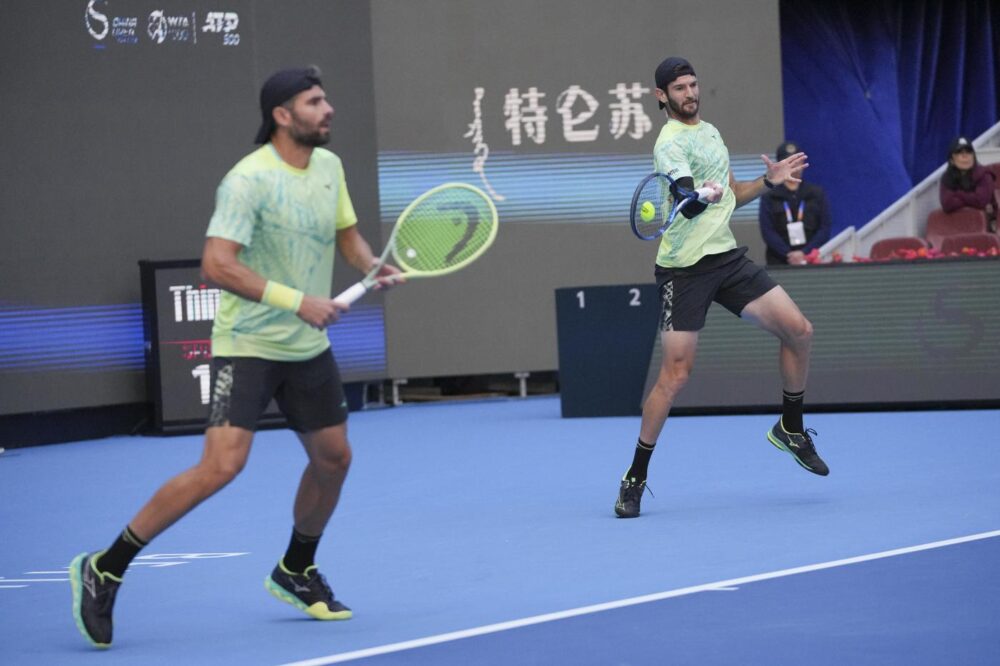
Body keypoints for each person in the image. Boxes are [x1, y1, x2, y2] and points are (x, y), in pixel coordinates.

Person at [70, 66, 400, 647]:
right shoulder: (247, 180)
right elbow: (216, 264)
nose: (328, 110)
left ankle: (296, 568)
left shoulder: (329, 167)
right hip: (248, 344)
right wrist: (296, 300)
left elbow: (346, 235)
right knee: (222, 465)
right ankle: (106, 566)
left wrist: (371, 264)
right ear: (282, 114)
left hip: (307, 349)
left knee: (334, 459)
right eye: (315, 101)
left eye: (326, 100)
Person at [614, 57, 829, 519]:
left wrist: (767, 184)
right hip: (684, 271)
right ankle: (635, 477)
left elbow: (731, 191)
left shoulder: (710, 132)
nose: (689, 93)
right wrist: (697, 197)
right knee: (675, 376)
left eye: (693, 85)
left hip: (727, 259)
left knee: (800, 331)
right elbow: (688, 200)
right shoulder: (668, 144)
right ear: (661, 96)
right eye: (679, 88)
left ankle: (790, 428)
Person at [758, 141, 832, 265]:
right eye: (790, 161)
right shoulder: (770, 195)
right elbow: (767, 231)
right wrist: (789, 254)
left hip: (811, 259)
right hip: (779, 260)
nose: (795, 165)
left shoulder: (816, 193)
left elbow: (825, 228)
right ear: (780, 164)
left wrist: (804, 252)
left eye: (798, 160)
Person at [939, 136, 996, 228]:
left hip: (986, 228)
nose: (965, 156)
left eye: (968, 152)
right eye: (959, 152)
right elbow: (947, 203)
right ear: (952, 159)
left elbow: (980, 201)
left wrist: (958, 194)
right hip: (955, 227)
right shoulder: (947, 177)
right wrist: (971, 198)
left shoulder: (984, 175)